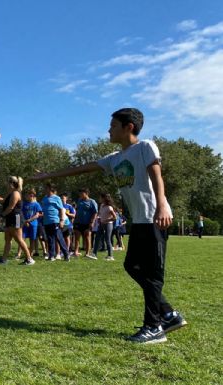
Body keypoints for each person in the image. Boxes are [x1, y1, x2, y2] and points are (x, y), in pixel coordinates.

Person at [31, 107, 187, 343]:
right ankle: (168, 314)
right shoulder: (115, 158)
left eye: (113, 125)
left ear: (129, 127)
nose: (108, 130)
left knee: (153, 274)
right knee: (132, 266)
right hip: (140, 222)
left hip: (154, 218)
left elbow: (157, 175)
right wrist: (49, 176)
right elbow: (82, 168)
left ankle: (154, 327)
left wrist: (162, 204)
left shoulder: (145, 147)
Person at [0, 176, 35, 265]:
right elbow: (3, 201)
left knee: (19, 239)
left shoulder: (16, 193)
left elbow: (11, 207)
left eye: (7, 182)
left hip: (16, 218)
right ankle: (4, 259)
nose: (6, 184)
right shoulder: (10, 193)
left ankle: (29, 259)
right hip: (10, 218)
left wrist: (2, 215)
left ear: (11, 183)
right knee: (7, 239)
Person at [40, 183, 69, 261]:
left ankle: (66, 255)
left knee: (59, 238)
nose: (44, 189)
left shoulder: (57, 198)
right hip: (46, 222)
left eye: (45, 188)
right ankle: (51, 256)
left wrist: (62, 220)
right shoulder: (44, 198)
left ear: (50, 189)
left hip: (55, 221)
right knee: (49, 239)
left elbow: (61, 209)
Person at [16, 189, 43, 258]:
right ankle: (18, 254)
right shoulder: (24, 204)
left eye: (29, 194)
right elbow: (20, 213)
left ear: (32, 195)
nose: (26, 196)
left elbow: (37, 215)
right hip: (24, 224)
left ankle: (30, 254)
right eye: (26, 194)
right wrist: (24, 222)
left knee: (32, 239)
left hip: (33, 224)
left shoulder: (36, 204)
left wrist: (28, 220)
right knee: (21, 239)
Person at [93, 193, 117, 260]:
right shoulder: (101, 205)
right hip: (101, 224)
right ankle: (94, 254)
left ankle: (110, 256)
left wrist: (106, 220)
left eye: (101, 198)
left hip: (108, 224)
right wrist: (99, 218)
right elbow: (100, 214)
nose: (99, 199)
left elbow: (115, 217)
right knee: (97, 238)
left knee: (107, 239)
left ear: (104, 198)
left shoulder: (109, 207)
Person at [61, 193, 76, 257]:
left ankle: (66, 251)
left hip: (68, 224)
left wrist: (68, 214)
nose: (62, 199)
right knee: (60, 238)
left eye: (63, 198)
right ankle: (60, 252)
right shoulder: (58, 206)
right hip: (60, 224)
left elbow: (74, 215)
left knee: (67, 238)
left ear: (66, 199)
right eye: (61, 198)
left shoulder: (69, 206)